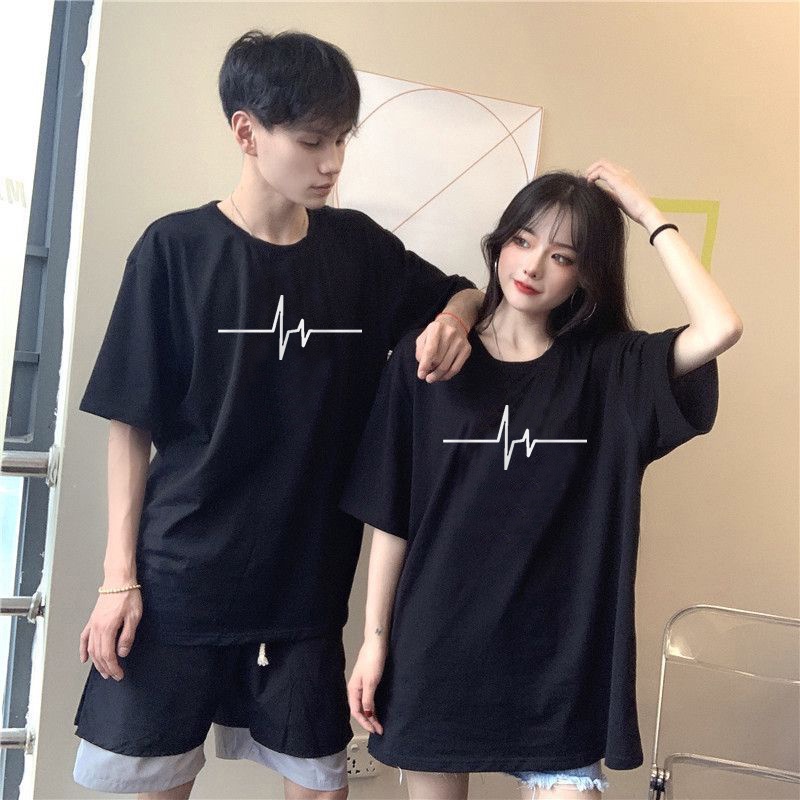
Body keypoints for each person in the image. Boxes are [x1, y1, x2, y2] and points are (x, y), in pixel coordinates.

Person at [72, 29, 484, 799]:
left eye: (342, 140)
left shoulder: (359, 251)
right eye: (313, 141)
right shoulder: (174, 250)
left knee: (320, 785)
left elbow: (463, 291)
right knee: (148, 785)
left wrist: (456, 320)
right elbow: (130, 421)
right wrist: (117, 579)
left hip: (304, 589)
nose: (332, 163)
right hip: (179, 579)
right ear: (247, 131)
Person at [340, 162, 742, 800]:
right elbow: (392, 517)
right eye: (522, 241)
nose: (532, 266)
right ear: (499, 244)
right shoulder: (432, 358)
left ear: (585, 275)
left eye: (563, 256)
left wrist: (646, 213)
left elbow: (721, 328)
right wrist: (373, 643)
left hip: (559, 671)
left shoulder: (609, 373)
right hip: (436, 655)